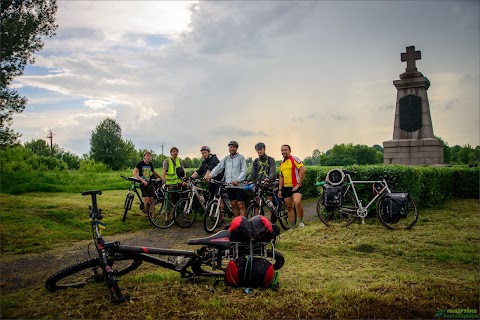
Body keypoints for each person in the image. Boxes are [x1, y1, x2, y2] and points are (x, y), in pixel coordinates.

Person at [205, 141, 247, 218]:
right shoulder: (226, 159)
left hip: (238, 185)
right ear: (229, 148)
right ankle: (236, 222)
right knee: (233, 204)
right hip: (229, 184)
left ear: (236, 148)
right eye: (231, 147)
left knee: (240, 204)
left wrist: (238, 180)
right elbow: (219, 167)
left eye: (234, 147)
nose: (232, 149)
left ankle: (243, 222)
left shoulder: (241, 158)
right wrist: (210, 175)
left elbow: (244, 171)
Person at [278, 144, 306, 228]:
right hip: (286, 188)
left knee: (297, 202)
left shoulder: (294, 159)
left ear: (289, 151)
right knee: (289, 207)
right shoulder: (282, 163)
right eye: (282, 150)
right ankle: (292, 227)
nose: (283, 152)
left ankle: (301, 222)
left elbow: (303, 169)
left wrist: (298, 183)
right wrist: (280, 189)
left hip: (295, 186)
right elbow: (281, 177)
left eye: (285, 150)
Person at [245, 142, 276, 214]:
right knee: (257, 201)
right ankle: (257, 219)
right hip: (259, 183)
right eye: (258, 150)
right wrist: (248, 179)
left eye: (261, 149)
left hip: (269, 183)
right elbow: (253, 173)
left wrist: (268, 178)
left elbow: (273, 171)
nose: (259, 151)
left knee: (269, 202)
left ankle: (273, 214)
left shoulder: (270, 159)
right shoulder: (256, 161)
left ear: (264, 149)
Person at [132, 151, 162, 215]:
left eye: (150, 156)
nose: (148, 157)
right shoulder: (140, 164)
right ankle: (148, 214)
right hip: (143, 184)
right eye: (147, 156)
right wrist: (142, 180)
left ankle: (153, 215)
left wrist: (160, 177)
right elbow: (134, 172)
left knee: (152, 199)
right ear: (144, 156)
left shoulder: (150, 164)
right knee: (147, 200)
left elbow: (153, 172)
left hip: (150, 183)